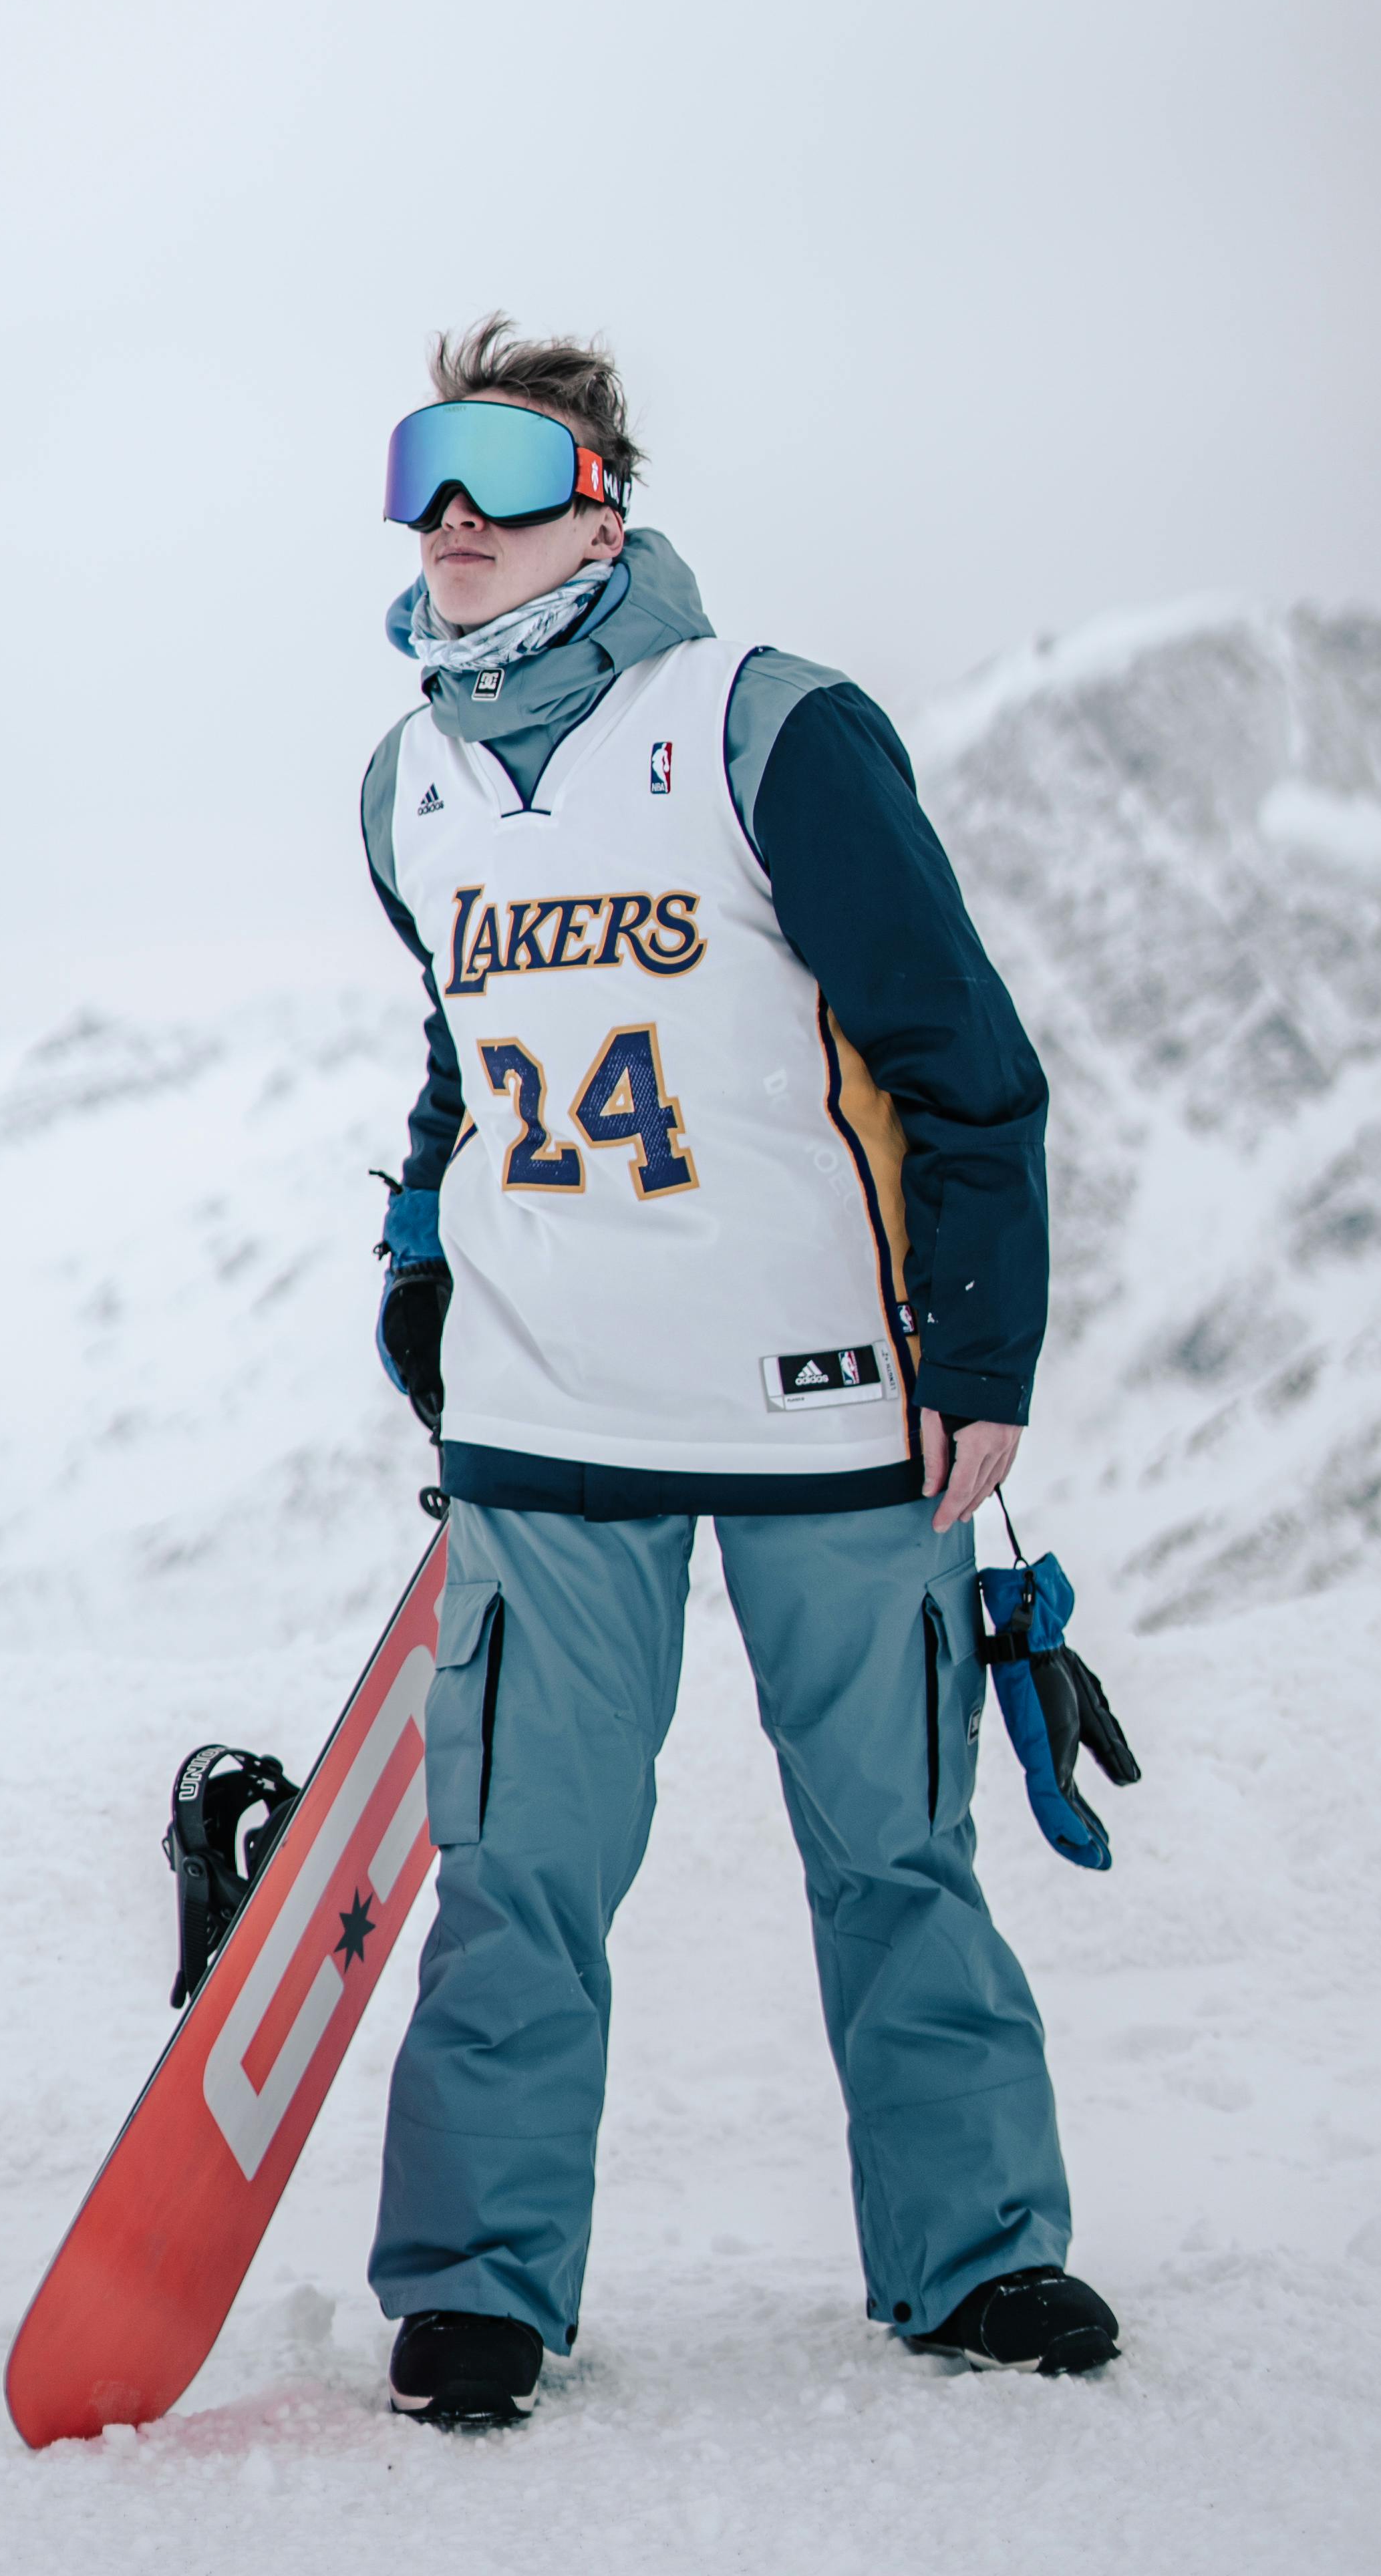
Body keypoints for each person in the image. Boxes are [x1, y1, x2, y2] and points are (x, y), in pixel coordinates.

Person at [358, 315, 1118, 2425]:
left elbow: (963, 1059)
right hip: (547, 1421)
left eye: (500, 470)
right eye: (422, 465)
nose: (448, 514)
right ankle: (481, 2287)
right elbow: (460, 1054)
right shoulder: (403, 781)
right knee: (518, 1873)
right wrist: (420, 1252)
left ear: (600, 503)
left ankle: (979, 2259)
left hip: (823, 1415)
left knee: (896, 1854)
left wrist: (980, 1349)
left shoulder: (767, 730)